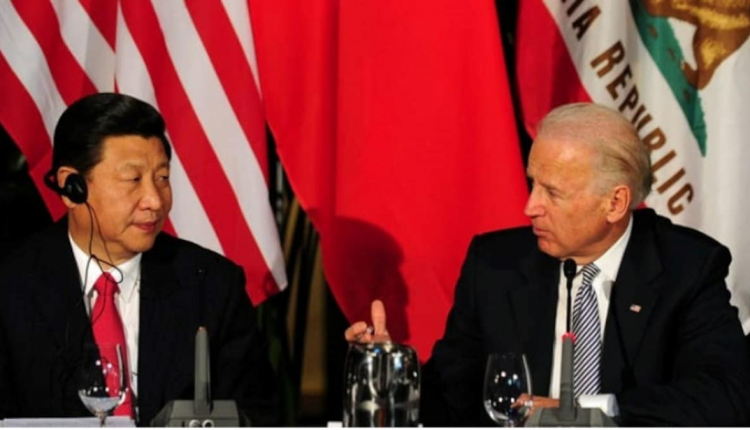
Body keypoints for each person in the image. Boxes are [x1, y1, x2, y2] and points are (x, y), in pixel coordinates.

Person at [346, 103, 750, 426]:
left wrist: (589, 414)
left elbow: (725, 396)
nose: (530, 207)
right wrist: (392, 372)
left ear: (615, 203)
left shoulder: (686, 267)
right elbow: (452, 396)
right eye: (532, 184)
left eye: (552, 193)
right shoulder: (496, 266)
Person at [0, 93, 279, 425]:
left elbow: (257, 415)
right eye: (133, 180)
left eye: (162, 178)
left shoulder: (213, 286)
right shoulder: (10, 286)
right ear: (72, 187)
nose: (154, 201)